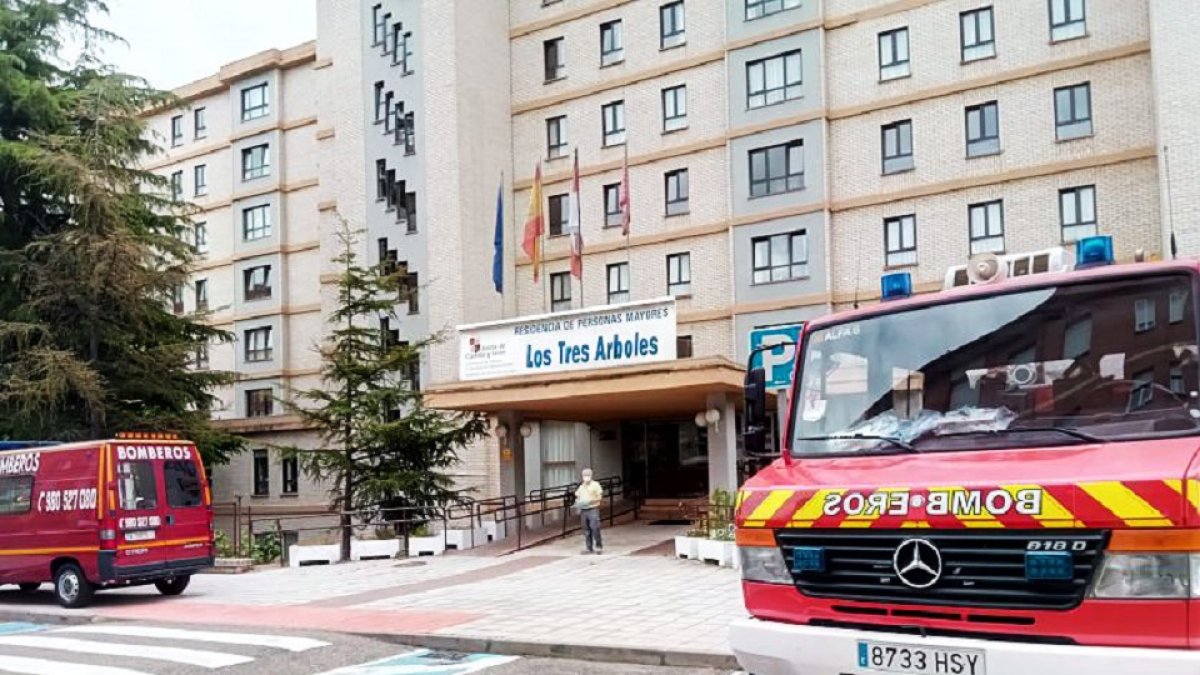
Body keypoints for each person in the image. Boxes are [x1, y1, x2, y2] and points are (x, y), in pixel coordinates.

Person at [574, 468, 603, 554]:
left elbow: (599, 497)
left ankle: (598, 546)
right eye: (584, 475)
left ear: (591, 476)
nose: (586, 477)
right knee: (586, 529)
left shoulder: (595, 485)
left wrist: (590, 501)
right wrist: (578, 502)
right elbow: (577, 495)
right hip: (584, 510)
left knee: (595, 528)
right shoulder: (582, 486)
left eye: (587, 475)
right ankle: (589, 547)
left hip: (593, 509)